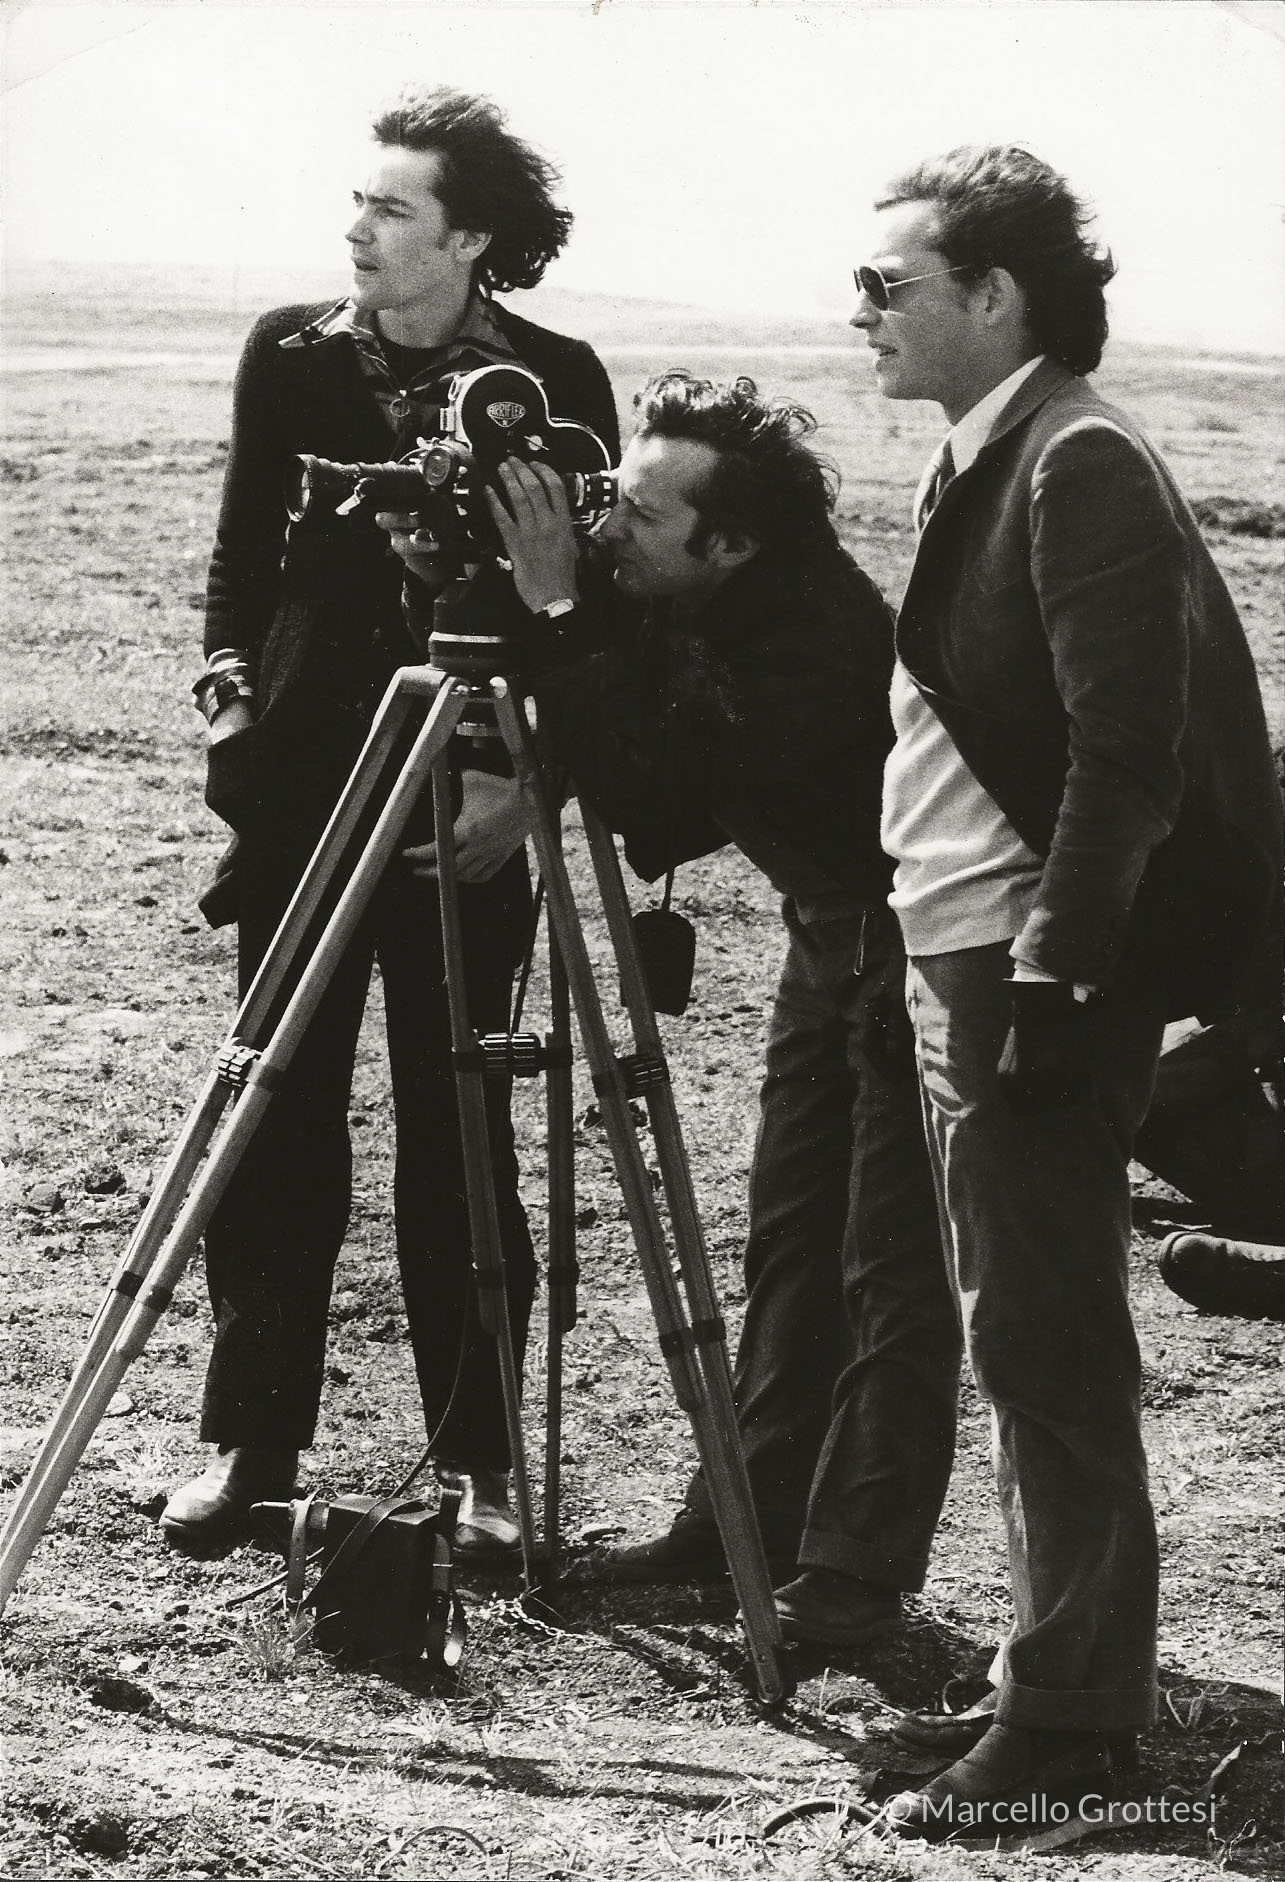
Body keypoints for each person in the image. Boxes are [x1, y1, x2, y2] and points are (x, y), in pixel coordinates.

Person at [848, 145, 1282, 1834]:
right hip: (973, 954)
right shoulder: (996, 447)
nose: (860, 310)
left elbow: (1128, 756)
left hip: (1029, 970)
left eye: (887, 283)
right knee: (1016, 1330)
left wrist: (1051, 973)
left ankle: (1073, 1726)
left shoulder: (1075, 455)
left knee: (1046, 1341)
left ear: (994, 294)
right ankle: (1049, 1678)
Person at [398, 369, 963, 1646]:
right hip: (833, 930)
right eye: (612, 500)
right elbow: (583, 660)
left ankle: (854, 1573)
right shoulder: (691, 582)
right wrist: (475, 568)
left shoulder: (813, 635)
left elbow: (654, 799)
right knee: (791, 1241)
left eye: (639, 518)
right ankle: (737, 1530)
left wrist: (554, 600)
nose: (606, 531)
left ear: (733, 541)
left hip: (916, 942)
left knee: (887, 1266)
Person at [160, 86, 620, 1552]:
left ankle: (480, 1466)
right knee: (275, 1110)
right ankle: (251, 1443)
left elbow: (579, 609)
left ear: (469, 239)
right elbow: (240, 553)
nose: (357, 228)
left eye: (391, 207)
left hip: (463, 801)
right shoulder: (289, 356)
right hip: (302, 788)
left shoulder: (556, 380)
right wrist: (231, 714)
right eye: (358, 202)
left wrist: (524, 787)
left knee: (460, 1119)